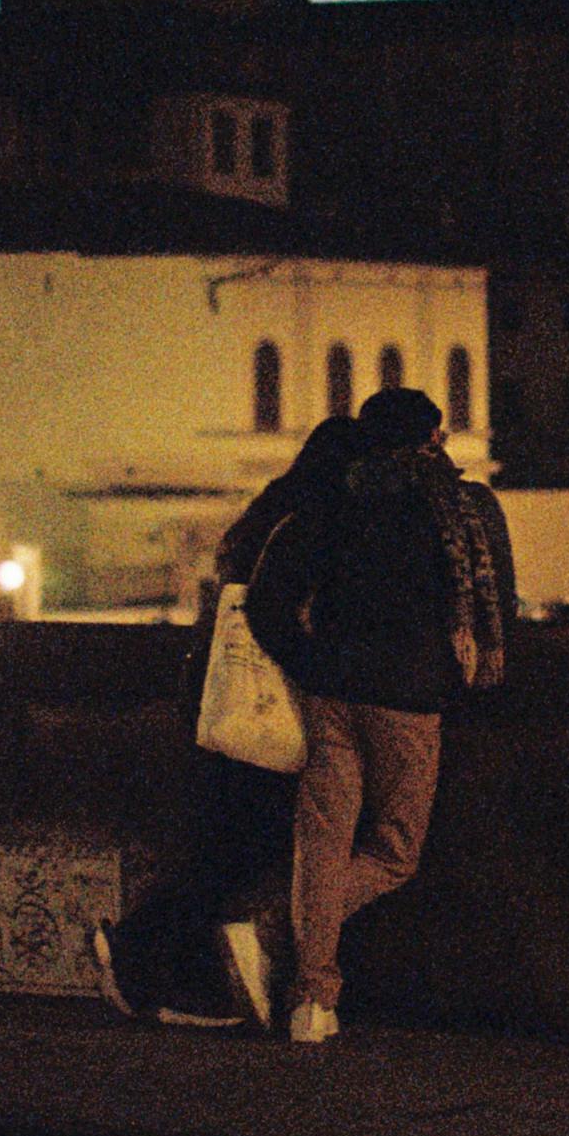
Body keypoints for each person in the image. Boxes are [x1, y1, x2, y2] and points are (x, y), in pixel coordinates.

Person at [240, 384, 516, 1042]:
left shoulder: (332, 501)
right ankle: (273, 929)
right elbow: (500, 603)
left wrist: (310, 665)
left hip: (331, 695)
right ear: (432, 439)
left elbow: (266, 600)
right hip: (408, 702)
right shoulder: (462, 507)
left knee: (323, 842)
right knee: (394, 851)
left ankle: (312, 1003)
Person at [128, 416, 364, 1026]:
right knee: (245, 848)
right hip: (270, 708)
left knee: (222, 843)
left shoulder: (269, 512)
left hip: (224, 700)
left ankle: (146, 954)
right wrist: (318, 663)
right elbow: (275, 616)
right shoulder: (312, 522)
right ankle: (157, 962)